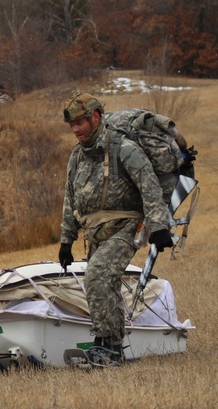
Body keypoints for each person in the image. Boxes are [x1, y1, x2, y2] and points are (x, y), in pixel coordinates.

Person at [58, 93, 174, 365]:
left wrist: (158, 226)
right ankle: (106, 345)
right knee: (101, 284)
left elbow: (149, 184)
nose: (75, 130)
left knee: (98, 277)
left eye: (80, 123)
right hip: (95, 232)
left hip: (126, 227)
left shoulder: (123, 147)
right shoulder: (77, 156)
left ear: (95, 118)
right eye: (72, 125)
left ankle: (109, 348)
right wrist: (66, 240)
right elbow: (69, 198)